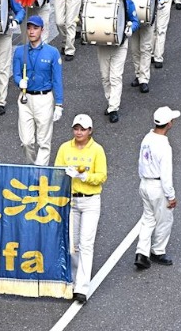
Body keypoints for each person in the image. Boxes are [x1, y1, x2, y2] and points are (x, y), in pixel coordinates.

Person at [54, 113, 107, 304]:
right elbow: (57, 171)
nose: (79, 132)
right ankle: (75, 280)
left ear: (90, 131)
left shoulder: (97, 150)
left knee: (86, 243)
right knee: (72, 244)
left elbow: (102, 176)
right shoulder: (64, 148)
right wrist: (65, 175)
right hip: (71, 200)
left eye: (82, 129)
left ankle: (82, 287)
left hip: (90, 200)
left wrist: (85, 177)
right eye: (76, 128)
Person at [12, 15, 64, 166]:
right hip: (25, 98)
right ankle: (31, 166)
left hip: (44, 98)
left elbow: (57, 80)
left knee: (43, 141)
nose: (31, 31)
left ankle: (39, 173)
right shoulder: (20, 51)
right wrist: (18, 81)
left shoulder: (52, 52)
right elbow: (15, 74)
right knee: (26, 141)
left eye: (35, 28)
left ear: (42, 30)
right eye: (29, 28)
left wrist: (59, 104)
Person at [134, 106, 179, 270]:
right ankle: (158, 251)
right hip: (157, 186)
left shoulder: (147, 138)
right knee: (164, 220)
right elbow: (166, 175)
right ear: (169, 123)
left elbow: (140, 162)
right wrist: (171, 196)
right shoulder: (164, 146)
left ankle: (141, 252)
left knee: (148, 218)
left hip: (145, 182)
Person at [95, 0, 140, 124]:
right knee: (104, 76)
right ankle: (110, 101)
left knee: (115, 76)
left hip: (120, 43)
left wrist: (130, 29)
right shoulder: (98, 1)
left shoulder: (126, 2)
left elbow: (135, 20)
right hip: (102, 43)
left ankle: (114, 107)